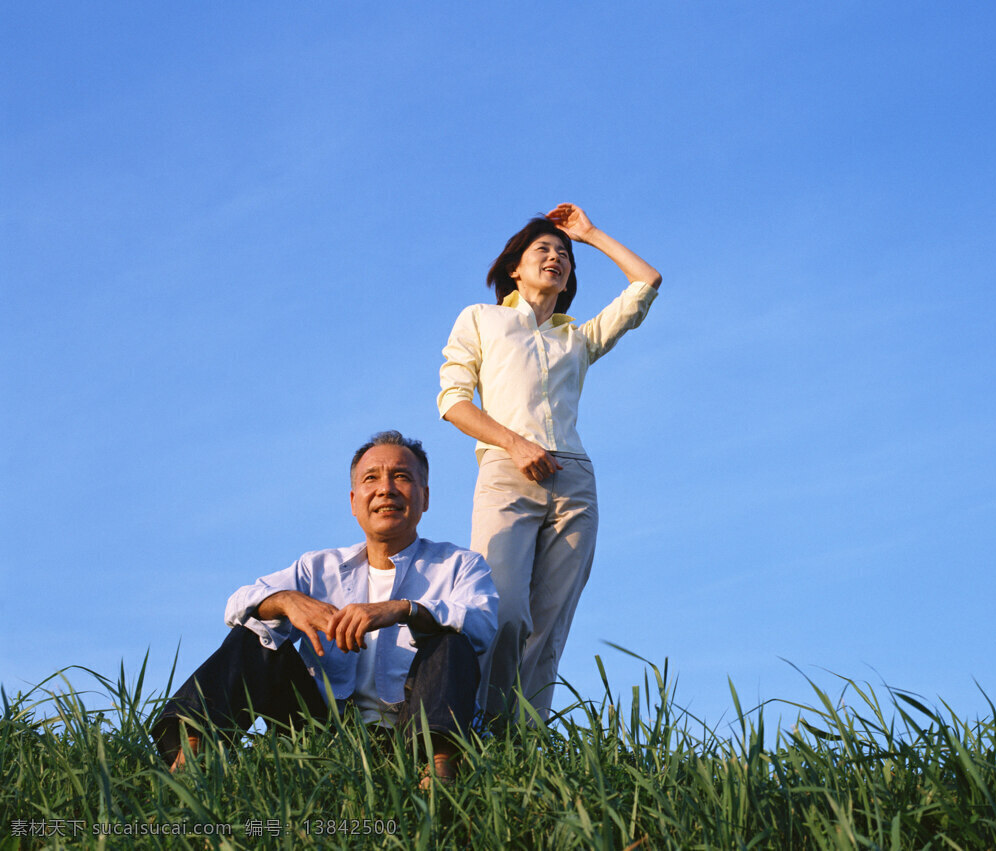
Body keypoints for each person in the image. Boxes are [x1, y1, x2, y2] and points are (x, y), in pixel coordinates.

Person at [151, 431, 498, 782]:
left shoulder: (459, 564)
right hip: (318, 730)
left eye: (402, 477)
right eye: (371, 478)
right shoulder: (318, 568)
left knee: (450, 638)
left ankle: (437, 774)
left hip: (409, 728)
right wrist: (285, 601)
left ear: (424, 497)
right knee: (255, 634)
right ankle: (191, 760)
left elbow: (482, 623)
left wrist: (403, 610)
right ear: (353, 501)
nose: (386, 489)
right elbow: (236, 605)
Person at [438, 203, 661, 721]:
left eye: (564, 255)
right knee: (504, 610)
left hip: (573, 480)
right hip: (506, 470)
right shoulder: (482, 318)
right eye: (544, 249)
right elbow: (453, 402)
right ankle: (481, 726)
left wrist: (589, 234)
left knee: (551, 622)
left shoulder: (577, 339)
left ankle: (524, 741)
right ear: (515, 266)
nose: (556, 258)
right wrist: (515, 444)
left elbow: (646, 281)